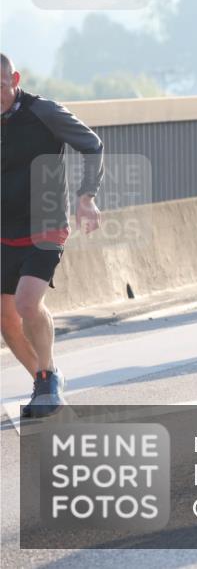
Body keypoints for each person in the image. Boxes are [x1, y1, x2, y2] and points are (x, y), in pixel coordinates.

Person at [1, 52, 105, 418]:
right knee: (7, 320)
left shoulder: (43, 112)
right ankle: (45, 381)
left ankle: (47, 381)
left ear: (14, 79)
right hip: (4, 230)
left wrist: (86, 196)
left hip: (45, 224)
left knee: (26, 303)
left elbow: (92, 145)